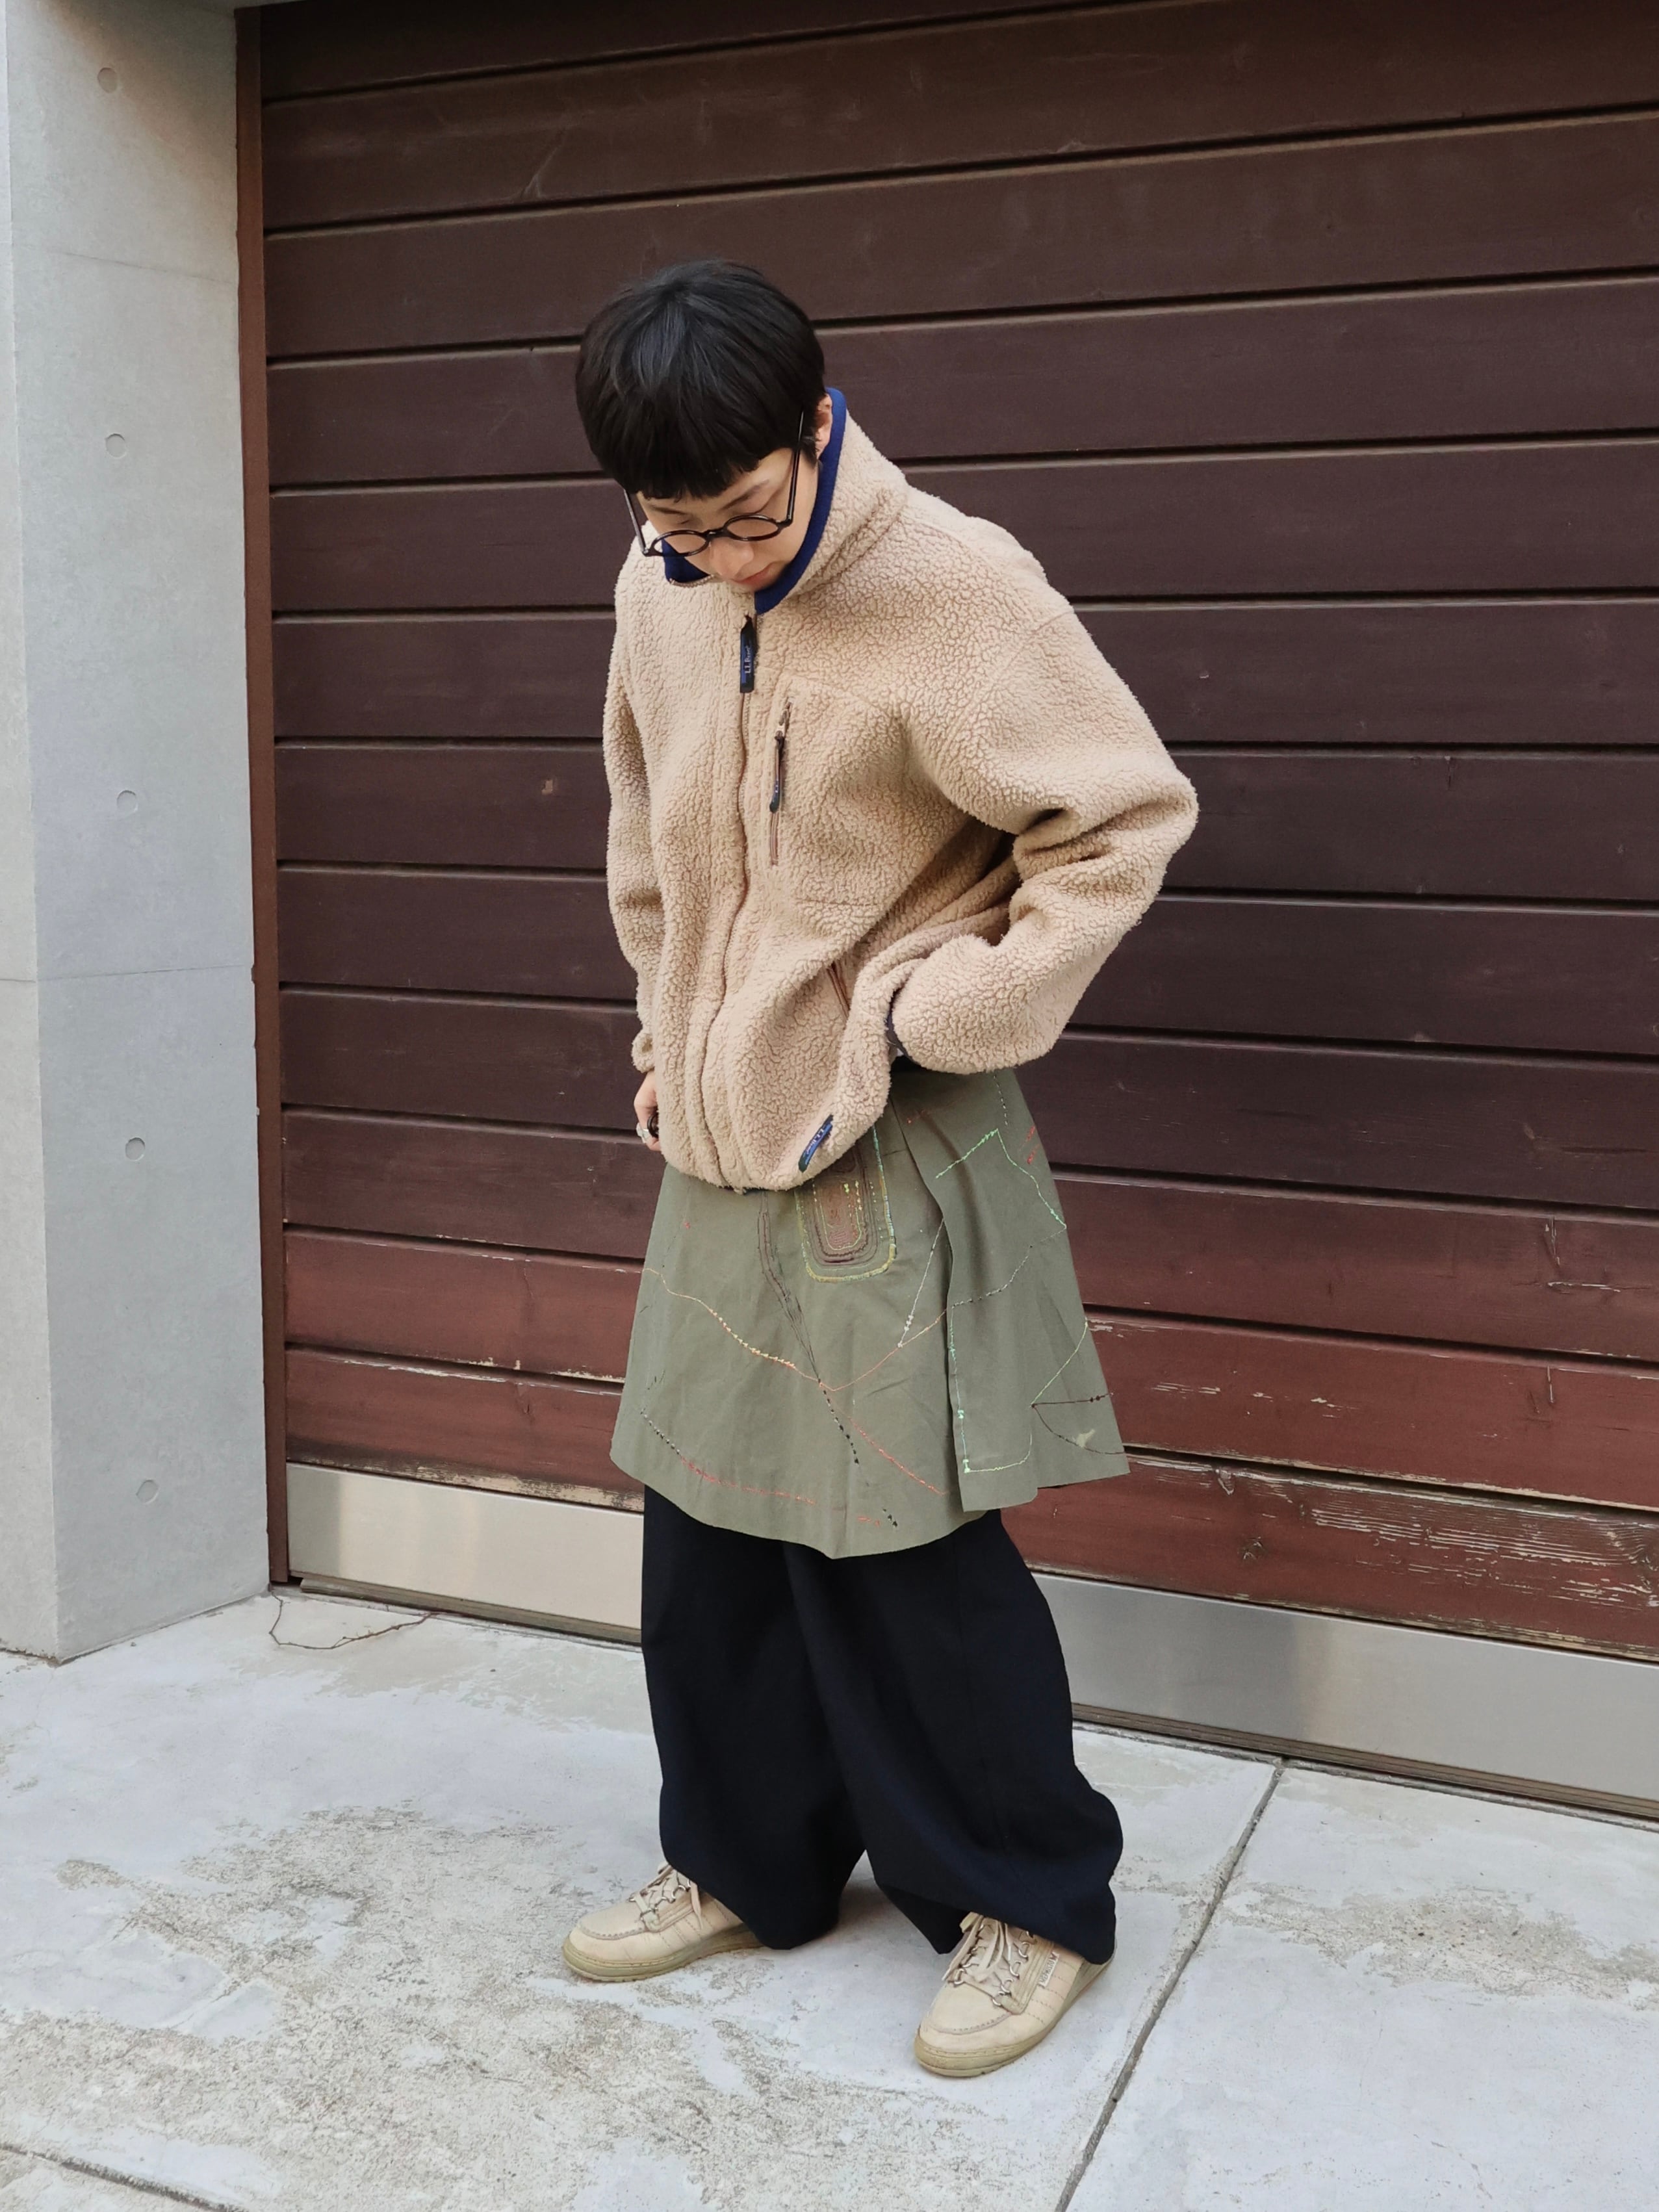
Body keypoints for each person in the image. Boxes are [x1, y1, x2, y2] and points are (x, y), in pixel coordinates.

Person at [561, 260, 1198, 2077]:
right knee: (707, 1531)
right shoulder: (663, 586)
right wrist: (668, 1033)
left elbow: (1120, 818)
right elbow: (645, 832)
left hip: (883, 1127)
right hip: (723, 1133)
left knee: (900, 1541)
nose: (718, 555)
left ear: (818, 426)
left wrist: (938, 1010)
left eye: (747, 515)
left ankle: (1026, 1899)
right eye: (676, 525)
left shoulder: (958, 590)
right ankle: (743, 1859)